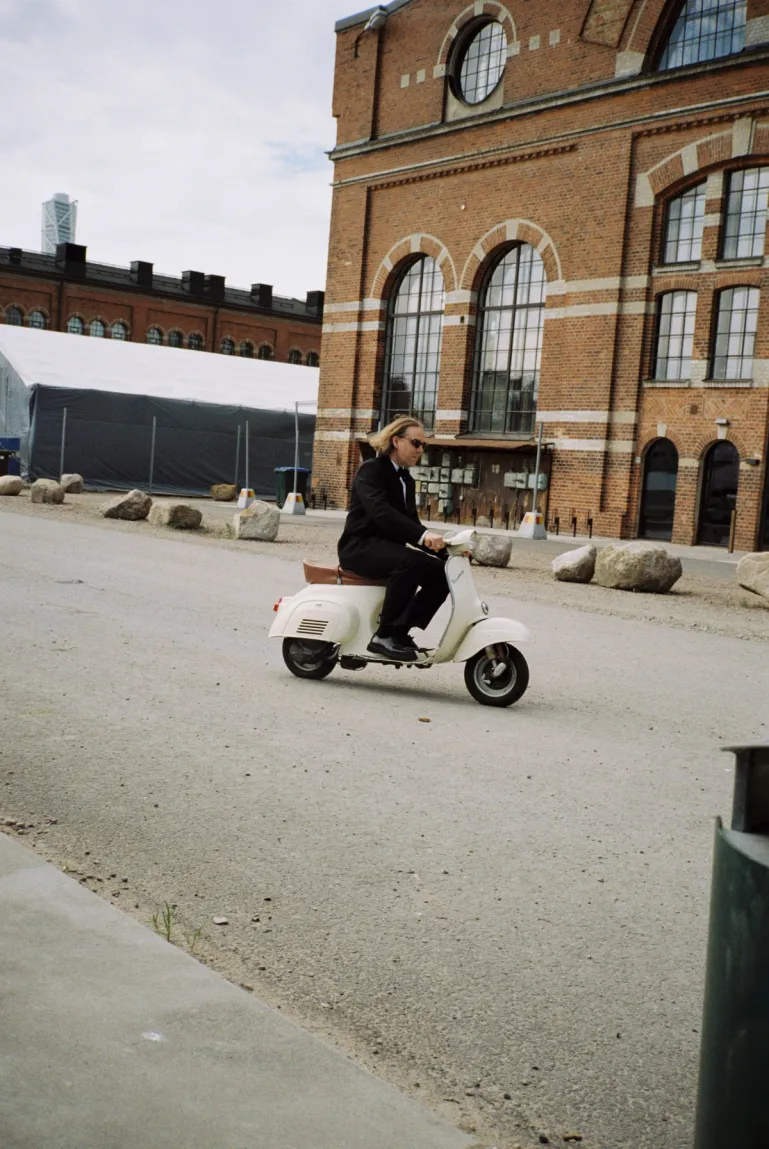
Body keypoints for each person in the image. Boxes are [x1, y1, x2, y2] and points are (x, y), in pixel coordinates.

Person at [337, 415, 448, 662]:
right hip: (360, 547)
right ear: (396, 441)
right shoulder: (371, 470)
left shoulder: (406, 479)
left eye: (423, 445)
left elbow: (411, 525)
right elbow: (381, 513)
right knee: (410, 561)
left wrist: (446, 550)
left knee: (442, 572)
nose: (420, 450)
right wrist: (423, 536)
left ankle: (399, 632)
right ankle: (383, 636)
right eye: (416, 443)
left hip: (387, 549)